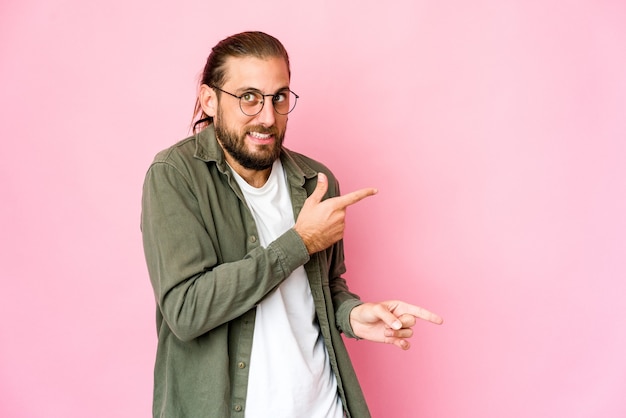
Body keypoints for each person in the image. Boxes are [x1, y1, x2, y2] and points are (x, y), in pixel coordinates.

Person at [141, 31, 443, 418]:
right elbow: (186, 311)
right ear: (210, 100)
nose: (267, 116)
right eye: (248, 97)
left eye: (279, 97)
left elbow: (324, 286)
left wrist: (352, 315)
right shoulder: (175, 177)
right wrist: (299, 241)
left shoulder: (315, 182)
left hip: (324, 406)